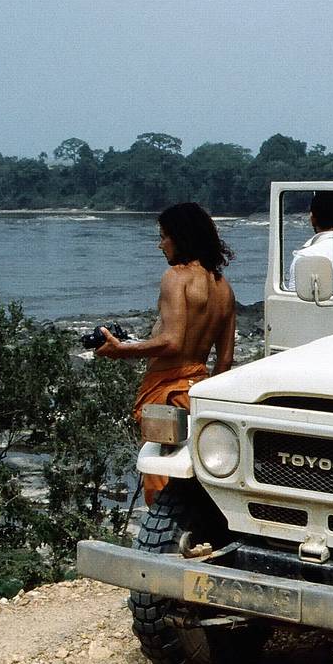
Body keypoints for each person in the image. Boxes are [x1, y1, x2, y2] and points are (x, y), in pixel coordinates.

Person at [96, 202, 237, 506]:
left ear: (181, 237)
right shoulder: (224, 287)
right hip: (198, 390)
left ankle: (161, 543)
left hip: (167, 394)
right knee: (196, 475)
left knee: (160, 486)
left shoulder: (176, 277)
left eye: (163, 237)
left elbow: (172, 341)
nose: (160, 245)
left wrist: (121, 350)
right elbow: (225, 360)